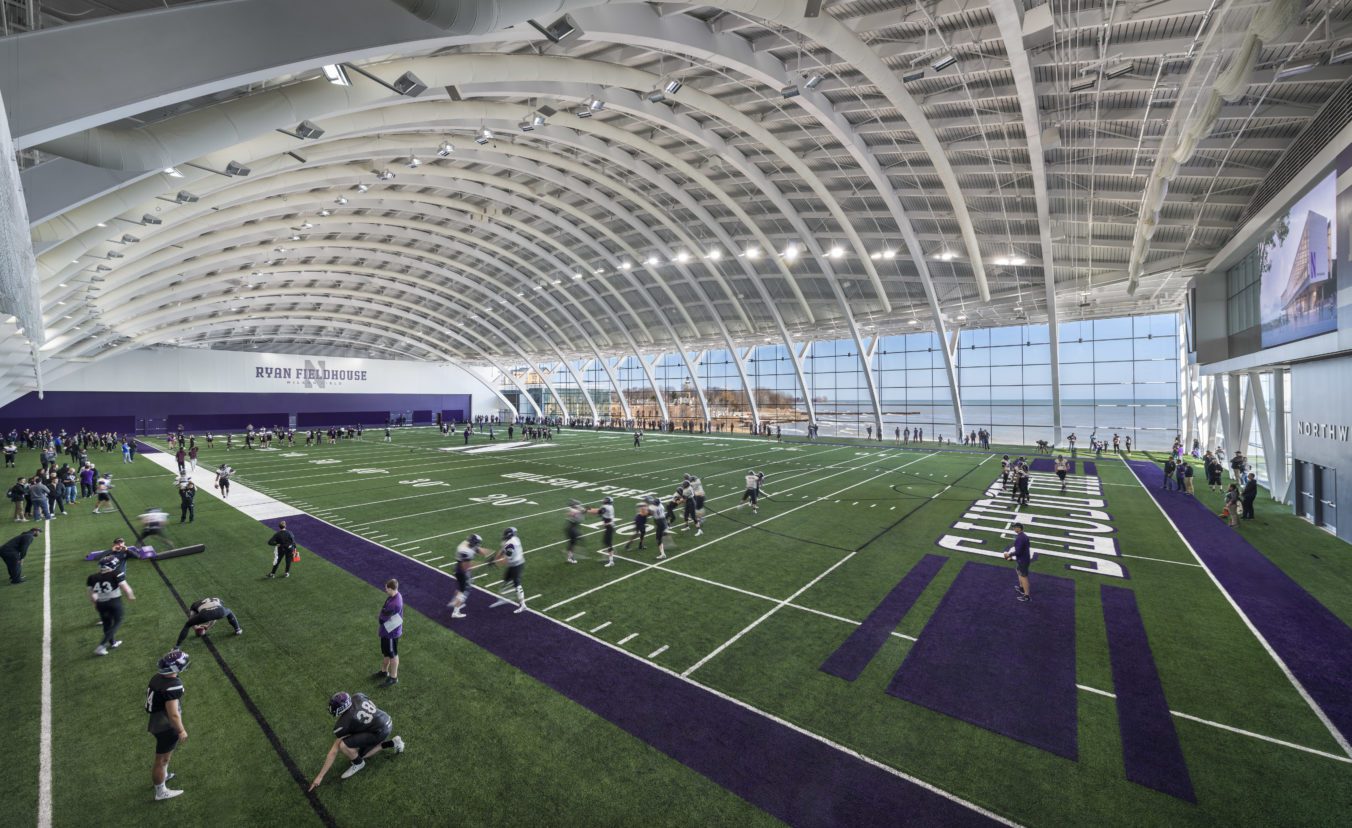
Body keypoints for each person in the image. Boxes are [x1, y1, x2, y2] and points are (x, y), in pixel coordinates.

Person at [308, 692, 404, 790]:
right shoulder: (357, 696)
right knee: (356, 745)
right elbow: (373, 705)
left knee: (346, 747)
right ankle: (393, 742)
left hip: (379, 731)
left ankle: (359, 763)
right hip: (386, 719)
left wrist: (320, 776)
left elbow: (334, 750)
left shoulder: (343, 723)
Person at [147, 649, 190, 800]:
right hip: (166, 726)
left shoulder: (157, 677)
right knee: (162, 759)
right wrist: (181, 730)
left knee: (163, 758)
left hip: (157, 721)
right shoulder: (173, 684)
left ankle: (163, 775)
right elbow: (173, 714)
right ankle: (160, 791)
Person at [89, 553, 135, 655]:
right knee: (117, 622)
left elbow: (92, 595)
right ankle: (101, 646)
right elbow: (125, 588)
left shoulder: (92, 577)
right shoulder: (116, 573)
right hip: (114, 602)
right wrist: (130, 595)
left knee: (107, 624)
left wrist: (96, 604)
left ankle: (113, 642)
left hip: (101, 603)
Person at [174, 596, 243, 646]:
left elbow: (191, 620)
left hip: (205, 614)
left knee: (187, 625)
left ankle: (177, 646)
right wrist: (208, 626)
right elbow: (214, 616)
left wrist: (197, 628)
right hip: (219, 611)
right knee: (229, 612)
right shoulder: (219, 600)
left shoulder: (194, 605)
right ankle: (238, 629)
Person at [489, 527, 528, 613]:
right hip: (512, 563)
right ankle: (503, 598)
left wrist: (496, 562)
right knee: (506, 579)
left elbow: (506, 559)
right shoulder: (510, 541)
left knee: (517, 583)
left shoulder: (512, 544)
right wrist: (495, 558)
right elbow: (502, 550)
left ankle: (523, 605)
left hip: (517, 564)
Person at [447, 534, 482, 618]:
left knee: (461, 588)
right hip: (461, 571)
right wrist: (478, 564)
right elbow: (466, 566)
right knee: (464, 590)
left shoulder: (466, 544)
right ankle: (456, 611)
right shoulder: (465, 551)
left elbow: (478, 550)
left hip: (458, 569)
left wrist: (490, 554)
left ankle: (455, 601)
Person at [376, 579, 402, 686]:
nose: (385, 590)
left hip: (391, 633)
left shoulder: (394, 603)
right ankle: (384, 671)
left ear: (391, 589)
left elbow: (382, 620)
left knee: (393, 654)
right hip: (388, 630)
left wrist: (381, 614)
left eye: (386, 588)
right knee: (386, 652)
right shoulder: (395, 595)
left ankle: (393, 677)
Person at [1003, 522, 1033, 603]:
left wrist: (1009, 554)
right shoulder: (1023, 536)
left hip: (1023, 560)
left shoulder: (1020, 538)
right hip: (1023, 559)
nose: (1013, 528)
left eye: (1015, 527)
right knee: (1018, 571)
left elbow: (1019, 551)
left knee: (1024, 577)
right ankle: (1021, 587)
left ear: (1019, 528)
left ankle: (1027, 596)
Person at [590, 497, 617, 567]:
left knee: (608, 543)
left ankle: (611, 561)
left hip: (609, 527)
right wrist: (589, 509)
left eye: (605, 500)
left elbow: (598, 512)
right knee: (606, 541)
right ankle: (610, 556)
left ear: (607, 501)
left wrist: (587, 510)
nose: (604, 500)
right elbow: (599, 510)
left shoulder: (606, 507)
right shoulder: (609, 506)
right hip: (609, 526)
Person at [564, 500, 584, 565]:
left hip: (573, 528)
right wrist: (577, 511)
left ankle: (570, 557)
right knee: (572, 543)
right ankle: (570, 558)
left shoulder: (575, 510)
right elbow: (571, 514)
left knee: (572, 543)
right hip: (571, 528)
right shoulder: (574, 511)